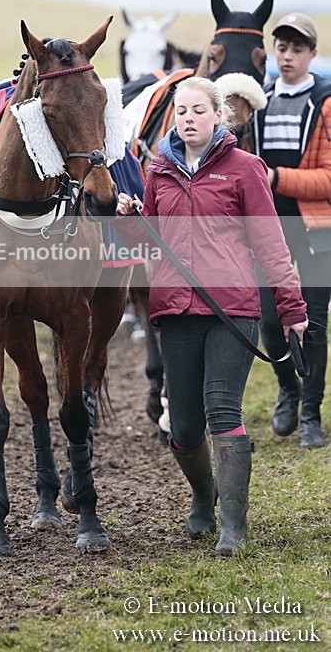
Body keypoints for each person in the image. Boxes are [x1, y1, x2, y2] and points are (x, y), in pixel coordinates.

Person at [117, 76, 308, 556]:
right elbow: (148, 244)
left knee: (222, 411)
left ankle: (233, 527)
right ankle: (204, 495)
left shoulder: (245, 168)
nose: (189, 119)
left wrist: (291, 307)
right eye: (182, 112)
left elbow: (271, 242)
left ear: (219, 115)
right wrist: (129, 219)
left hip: (232, 308)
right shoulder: (159, 172)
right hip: (175, 310)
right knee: (183, 428)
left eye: (198, 110)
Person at [252, 13, 331, 449]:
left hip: (317, 227)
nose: (287, 56)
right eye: (281, 48)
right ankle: (288, 388)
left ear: (312, 54)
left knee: (313, 322)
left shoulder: (325, 103)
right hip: (268, 228)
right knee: (269, 320)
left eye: (297, 49)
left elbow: (329, 178)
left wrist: (276, 178)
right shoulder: (258, 101)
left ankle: (311, 415)